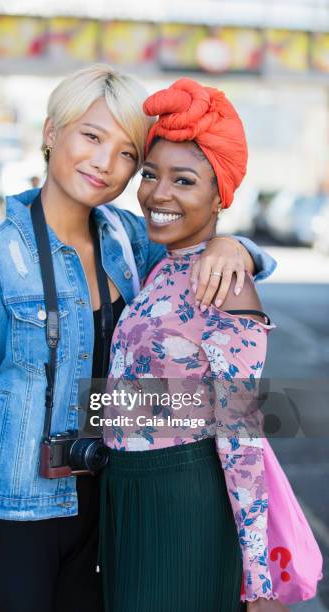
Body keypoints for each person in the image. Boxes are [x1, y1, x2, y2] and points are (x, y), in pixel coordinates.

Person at [0, 65, 276, 612]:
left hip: (108, 511)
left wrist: (241, 247)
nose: (104, 164)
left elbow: (192, 231)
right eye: (91, 137)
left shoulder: (127, 238)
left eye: (125, 155)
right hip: (20, 517)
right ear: (51, 133)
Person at [99, 78, 287, 611]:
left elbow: (242, 433)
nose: (159, 194)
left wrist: (260, 581)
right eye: (151, 175)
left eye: (184, 180)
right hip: (129, 499)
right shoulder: (160, 263)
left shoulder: (226, 282)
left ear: (218, 194)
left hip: (186, 503)